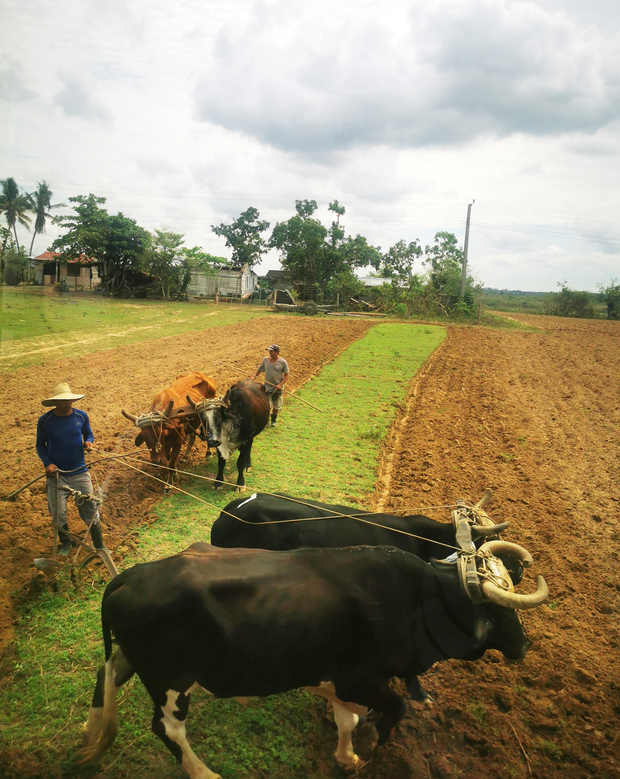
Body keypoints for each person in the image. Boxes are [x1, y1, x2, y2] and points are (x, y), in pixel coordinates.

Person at [36, 382, 106, 556]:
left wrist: (89, 442)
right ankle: (66, 542)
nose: (68, 404)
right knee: (57, 513)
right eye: (64, 401)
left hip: (80, 471)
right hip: (57, 475)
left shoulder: (81, 416)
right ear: (56, 403)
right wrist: (48, 464)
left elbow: (88, 434)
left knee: (90, 509)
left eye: (70, 400)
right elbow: (40, 445)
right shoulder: (45, 421)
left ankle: (100, 546)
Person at [253, 344, 290, 427]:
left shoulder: (282, 362)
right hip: (267, 387)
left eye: (271, 351)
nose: (269, 352)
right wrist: (253, 377)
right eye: (269, 351)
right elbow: (259, 369)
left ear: (277, 352)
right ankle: (266, 422)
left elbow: (287, 376)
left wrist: (280, 385)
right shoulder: (265, 360)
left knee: (276, 406)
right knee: (266, 406)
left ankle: (273, 421)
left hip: (278, 389)